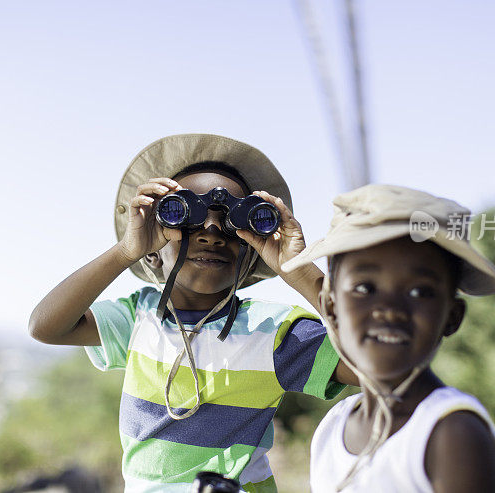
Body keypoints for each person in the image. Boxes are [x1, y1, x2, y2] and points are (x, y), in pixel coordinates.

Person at [29, 133, 356, 493]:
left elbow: (375, 365)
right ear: (153, 250)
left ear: (251, 254)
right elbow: (46, 327)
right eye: (184, 216)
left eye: (233, 223)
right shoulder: (138, 317)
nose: (212, 232)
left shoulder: (276, 333)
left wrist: (300, 271)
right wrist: (125, 251)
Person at [282, 184, 495, 492]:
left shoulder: (450, 433)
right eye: (365, 289)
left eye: (419, 292)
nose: (389, 311)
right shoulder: (333, 428)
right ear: (331, 306)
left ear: (452, 317)